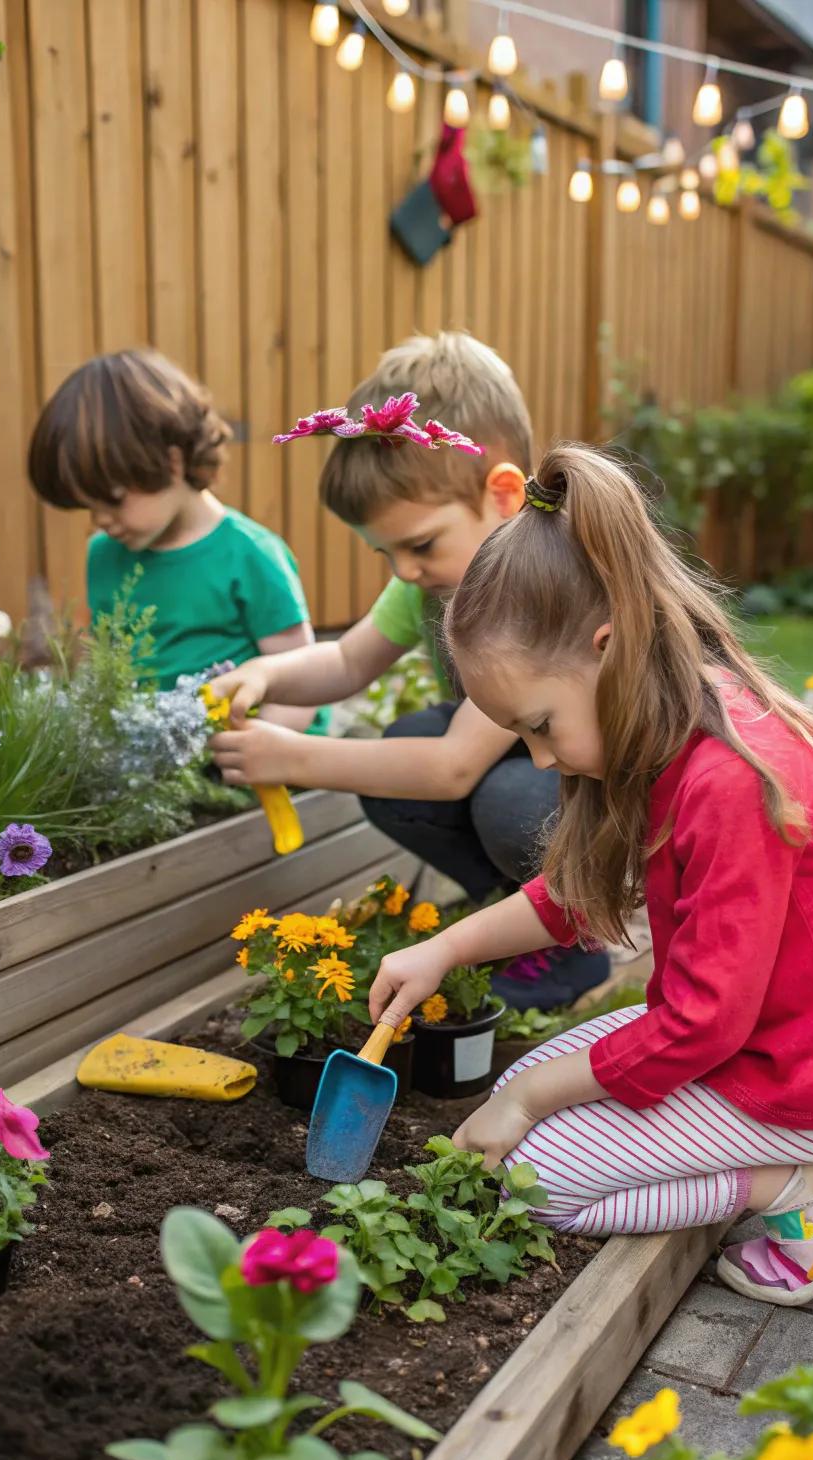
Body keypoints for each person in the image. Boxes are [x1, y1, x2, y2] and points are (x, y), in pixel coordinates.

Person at [366, 443, 813, 1305]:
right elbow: (573, 898)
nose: (535, 756)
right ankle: (792, 1165)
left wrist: (529, 1099)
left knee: (533, 1178)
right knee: (528, 1100)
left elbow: (697, 1026)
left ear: (605, 648)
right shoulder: (668, 724)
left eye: (538, 725)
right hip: (774, 1042)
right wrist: (447, 950)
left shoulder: (727, 780)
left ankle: (809, 1186)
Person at [207, 334, 610, 1010]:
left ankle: (569, 938)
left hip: (593, 798)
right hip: (530, 769)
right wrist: (265, 678)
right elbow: (345, 660)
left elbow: (454, 765)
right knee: (403, 753)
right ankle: (512, 918)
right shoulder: (432, 582)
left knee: (503, 801)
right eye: (385, 552)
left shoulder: (532, 590)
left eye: (419, 545)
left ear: (504, 494)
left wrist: (295, 756)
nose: (405, 571)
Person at [27, 348, 326, 735]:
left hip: (255, 753)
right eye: (88, 506)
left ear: (172, 462)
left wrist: (251, 759)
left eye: (113, 500)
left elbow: (300, 681)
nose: (101, 520)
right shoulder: (103, 554)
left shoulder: (249, 554)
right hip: (156, 760)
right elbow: (104, 664)